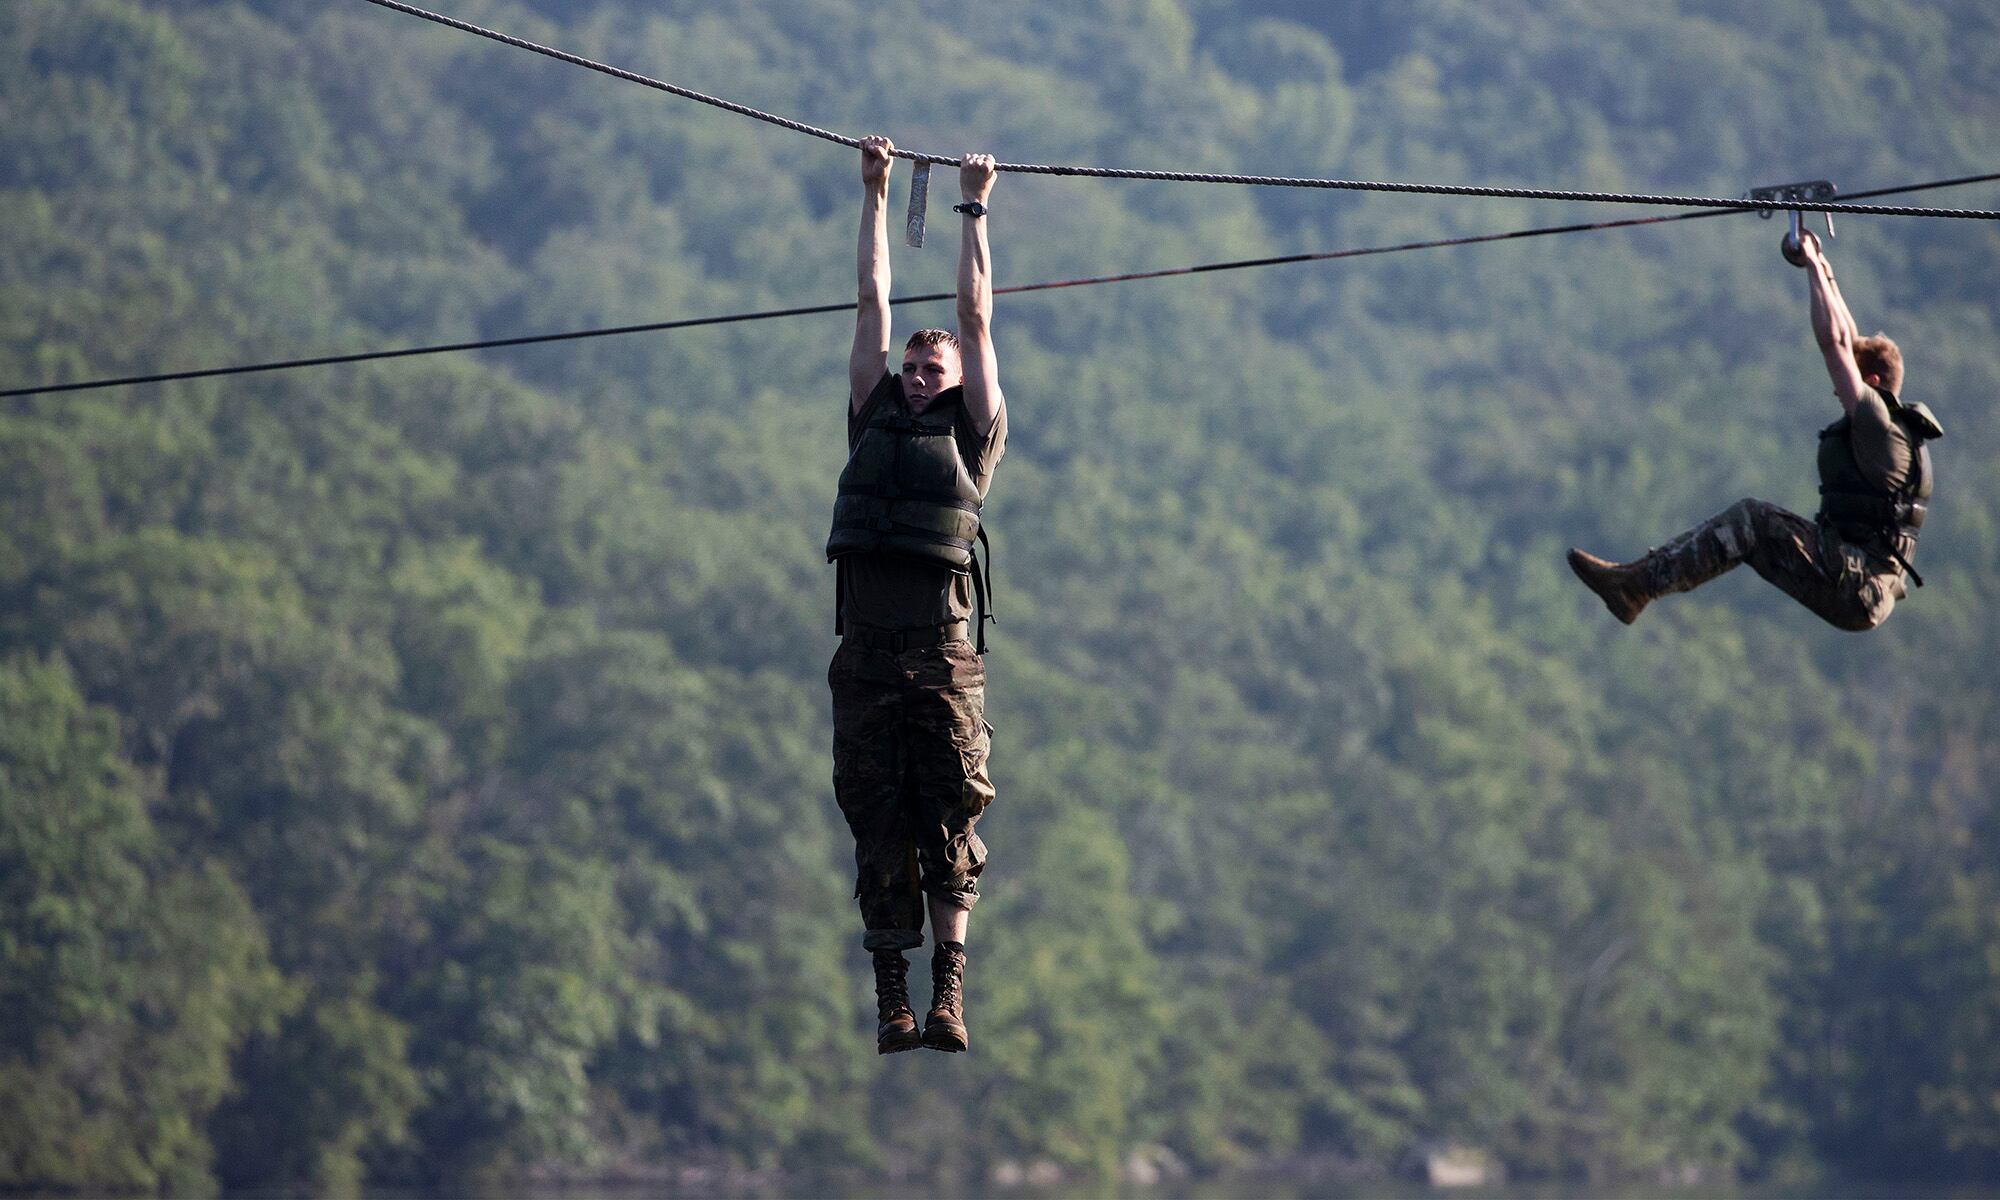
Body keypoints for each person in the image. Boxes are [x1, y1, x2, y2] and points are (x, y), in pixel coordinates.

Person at [826, 135, 1005, 1054]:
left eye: (933, 369)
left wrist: (973, 208)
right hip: (865, 660)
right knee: (876, 815)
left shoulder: (973, 434)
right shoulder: (871, 414)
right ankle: (893, 1000)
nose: (919, 372)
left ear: (962, 384)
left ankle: (949, 995)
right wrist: (875, 191)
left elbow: (975, 317)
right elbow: (872, 303)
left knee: (951, 820)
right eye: (912, 366)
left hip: (940, 657)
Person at [1567, 230, 1941, 629]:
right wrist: (1823, 270)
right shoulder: (1884, 421)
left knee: (1752, 520)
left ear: (1873, 382)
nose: (1836, 387)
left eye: (1848, 378)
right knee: (1747, 529)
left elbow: (1834, 345)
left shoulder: (1876, 424)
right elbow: (1849, 340)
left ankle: (1638, 586)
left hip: (1859, 587)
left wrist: (1813, 263)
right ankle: (1636, 582)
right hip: (1853, 579)